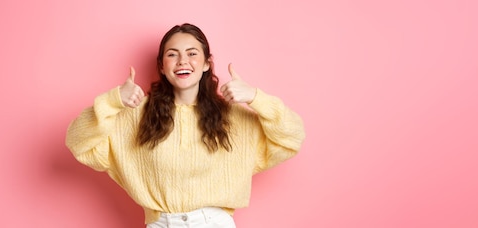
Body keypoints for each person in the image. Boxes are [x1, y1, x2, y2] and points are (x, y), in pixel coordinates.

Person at [66, 23, 305, 228]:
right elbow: (78, 142)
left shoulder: (233, 117)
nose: (182, 61)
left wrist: (255, 97)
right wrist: (113, 100)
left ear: (206, 63)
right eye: (172, 54)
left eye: (192, 53)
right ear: (161, 65)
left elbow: (292, 137)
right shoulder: (135, 115)